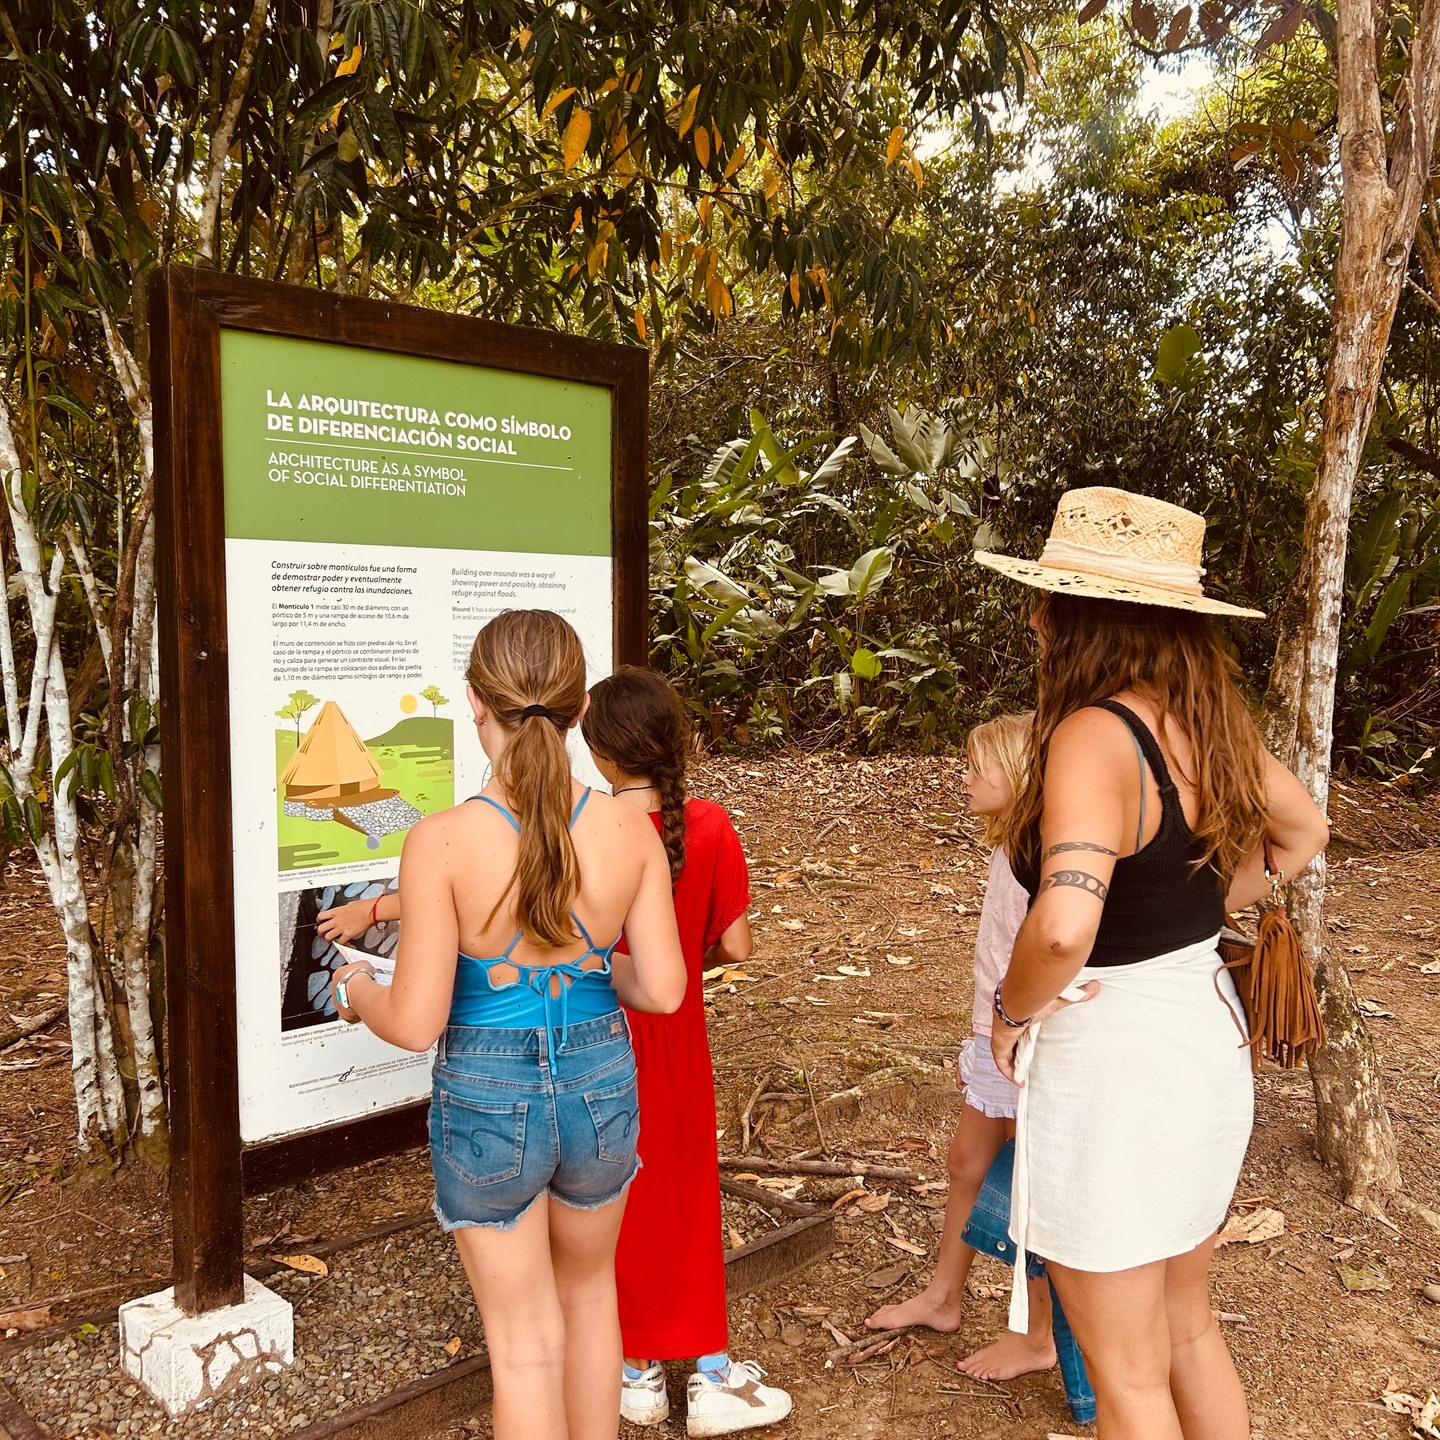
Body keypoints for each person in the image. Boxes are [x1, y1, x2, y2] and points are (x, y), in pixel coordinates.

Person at [974, 487, 1330, 1440]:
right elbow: (1305, 829)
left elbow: (1060, 929)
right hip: (1201, 1034)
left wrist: (1010, 1015)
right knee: (1187, 1328)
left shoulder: (1093, 734)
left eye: (1047, 598)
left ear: (1078, 616)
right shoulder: (1205, 722)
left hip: (1115, 1057)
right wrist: (1209, 905)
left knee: (1128, 1375)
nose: (1035, 616)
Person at [330, 611, 688, 1440]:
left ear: (474, 703)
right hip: (601, 1083)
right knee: (592, 1301)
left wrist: (355, 988)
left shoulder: (442, 842)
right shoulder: (626, 829)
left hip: (491, 1094)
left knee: (525, 1346)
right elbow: (664, 988)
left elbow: (417, 1020)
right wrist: (586, 967)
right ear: (578, 708)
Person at [580, 666, 793, 1438]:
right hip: (676, 1032)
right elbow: (737, 943)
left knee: (606, 1192)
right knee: (685, 1188)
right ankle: (706, 1371)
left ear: (601, 753)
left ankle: (631, 1370)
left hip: (598, 1027)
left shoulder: (586, 826)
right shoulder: (707, 824)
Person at [865, 713, 1070, 1385]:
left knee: (1029, 1186)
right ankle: (943, 1297)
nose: (965, 778)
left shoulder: (1044, 851)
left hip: (1026, 1038)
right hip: (995, 1034)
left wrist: (1018, 1027)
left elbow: (1059, 949)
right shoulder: (1011, 845)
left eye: (978, 767)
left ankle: (1039, 1335)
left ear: (1019, 775)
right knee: (965, 1163)